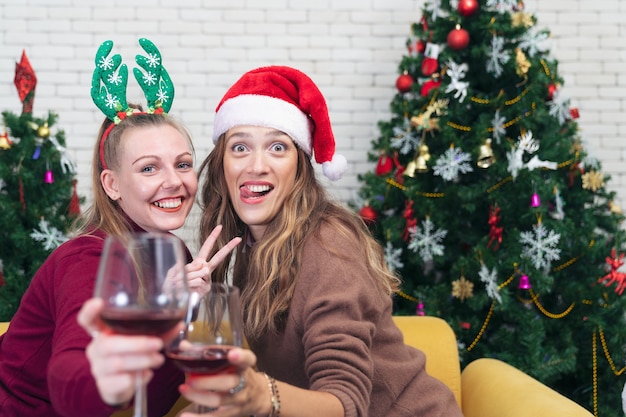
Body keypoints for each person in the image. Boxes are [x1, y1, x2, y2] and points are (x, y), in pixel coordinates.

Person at [0, 39, 240, 417]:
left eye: (182, 164)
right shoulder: (87, 261)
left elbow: (194, 364)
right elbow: (73, 379)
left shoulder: (173, 252)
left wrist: (202, 311)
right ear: (112, 185)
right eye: (149, 168)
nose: (175, 181)